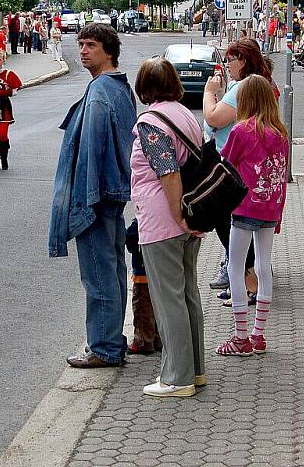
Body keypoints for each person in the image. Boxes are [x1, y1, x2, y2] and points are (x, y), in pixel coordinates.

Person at [49, 23, 136, 368]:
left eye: (90, 45)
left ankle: (103, 347)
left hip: (96, 197)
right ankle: (112, 338)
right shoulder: (118, 86)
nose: (83, 50)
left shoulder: (101, 90)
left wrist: (85, 202)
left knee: (99, 274)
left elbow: (90, 152)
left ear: (108, 51)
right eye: (80, 44)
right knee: (113, 270)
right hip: (111, 195)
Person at [129, 57, 206, 397]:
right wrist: (189, 216)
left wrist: (178, 215)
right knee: (188, 293)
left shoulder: (151, 121)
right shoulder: (184, 113)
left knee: (168, 299)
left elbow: (167, 172)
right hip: (188, 214)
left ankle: (177, 378)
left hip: (165, 219)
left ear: (144, 87)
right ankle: (196, 370)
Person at [215, 75, 289, 356]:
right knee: (263, 265)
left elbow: (226, 164)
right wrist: (279, 211)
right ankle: (259, 334)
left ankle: (240, 336)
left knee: (235, 267)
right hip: (270, 207)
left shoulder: (241, 130)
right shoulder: (280, 132)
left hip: (244, 206)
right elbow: (281, 175)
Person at [202, 39, 276, 293]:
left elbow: (213, 118)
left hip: (237, 168)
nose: (226, 65)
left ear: (242, 60)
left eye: (229, 60)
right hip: (253, 171)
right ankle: (249, 285)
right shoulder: (253, 85)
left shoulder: (244, 88)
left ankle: (245, 287)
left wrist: (209, 92)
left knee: (230, 226)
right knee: (250, 239)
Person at [125, 218, 161, 355]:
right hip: (158, 271)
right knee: (157, 307)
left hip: (143, 272)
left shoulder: (141, 219)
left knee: (142, 307)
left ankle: (143, 340)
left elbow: (132, 237)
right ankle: (157, 339)